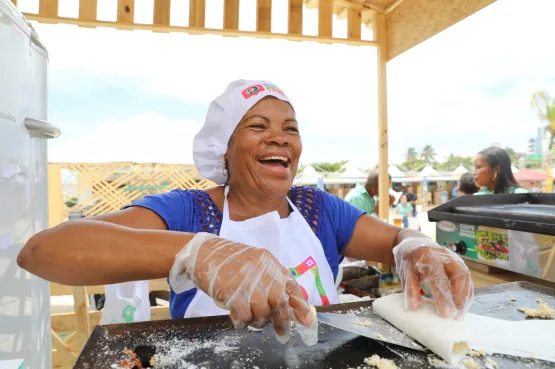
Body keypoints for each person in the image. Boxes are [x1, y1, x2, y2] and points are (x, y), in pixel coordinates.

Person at [17, 80, 473, 343]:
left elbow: (396, 239)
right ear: (225, 149)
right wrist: (201, 253)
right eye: (258, 126)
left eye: (290, 129)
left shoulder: (318, 208)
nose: (280, 138)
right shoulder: (188, 210)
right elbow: (44, 251)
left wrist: (416, 247)